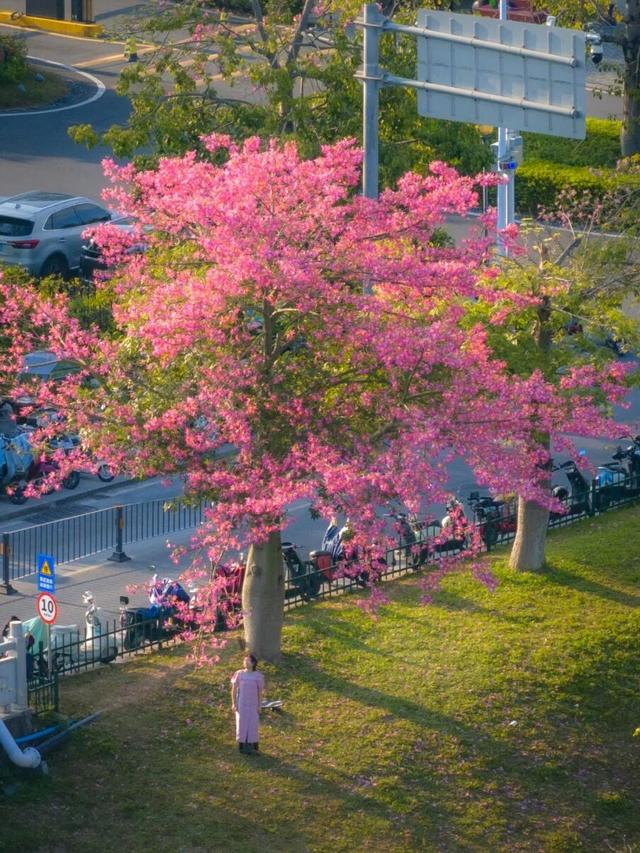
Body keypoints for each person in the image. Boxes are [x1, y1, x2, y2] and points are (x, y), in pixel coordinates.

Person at [231, 653, 265, 754]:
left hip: (253, 704)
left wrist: (259, 705)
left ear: (253, 663)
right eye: (244, 660)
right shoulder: (239, 674)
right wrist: (234, 703)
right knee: (241, 723)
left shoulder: (258, 675)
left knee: (253, 724)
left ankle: (254, 747)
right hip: (241, 703)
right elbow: (234, 689)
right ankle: (241, 747)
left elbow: (259, 692)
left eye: (248, 660)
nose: (245, 662)